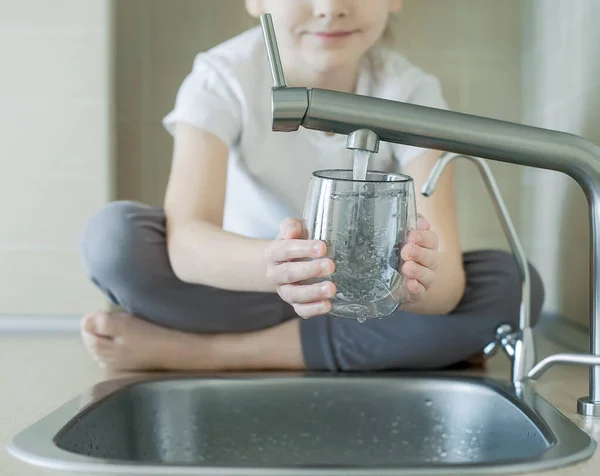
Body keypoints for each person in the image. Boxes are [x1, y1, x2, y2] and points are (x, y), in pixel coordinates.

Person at [79, 0, 544, 372]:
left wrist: (415, 280)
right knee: (115, 238)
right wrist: (276, 268)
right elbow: (188, 244)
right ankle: (384, 351)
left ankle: (201, 354)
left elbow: (445, 291)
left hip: (364, 300)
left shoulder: (411, 93)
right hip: (244, 293)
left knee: (514, 285)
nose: (329, 6)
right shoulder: (222, 77)